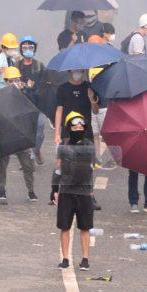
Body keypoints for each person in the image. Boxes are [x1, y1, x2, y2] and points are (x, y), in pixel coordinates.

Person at [53, 111, 95, 270]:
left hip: (84, 191)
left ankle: (85, 259)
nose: (78, 127)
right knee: (64, 227)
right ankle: (65, 259)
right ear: (69, 127)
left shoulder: (89, 146)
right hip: (66, 192)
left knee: (85, 227)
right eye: (74, 125)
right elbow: (57, 168)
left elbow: (88, 168)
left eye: (80, 125)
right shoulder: (62, 146)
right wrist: (54, 189)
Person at [0, 67, 37, 202]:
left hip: (22, 135)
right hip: (5, 135)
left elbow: (34, 108)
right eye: (11, 81)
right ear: (5, 81)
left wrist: (28, 90)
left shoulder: (25, 94)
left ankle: (31, 190)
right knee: (1, 164)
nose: (14, 83)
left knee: (28, 165)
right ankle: (2, 189)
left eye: (16, 80)